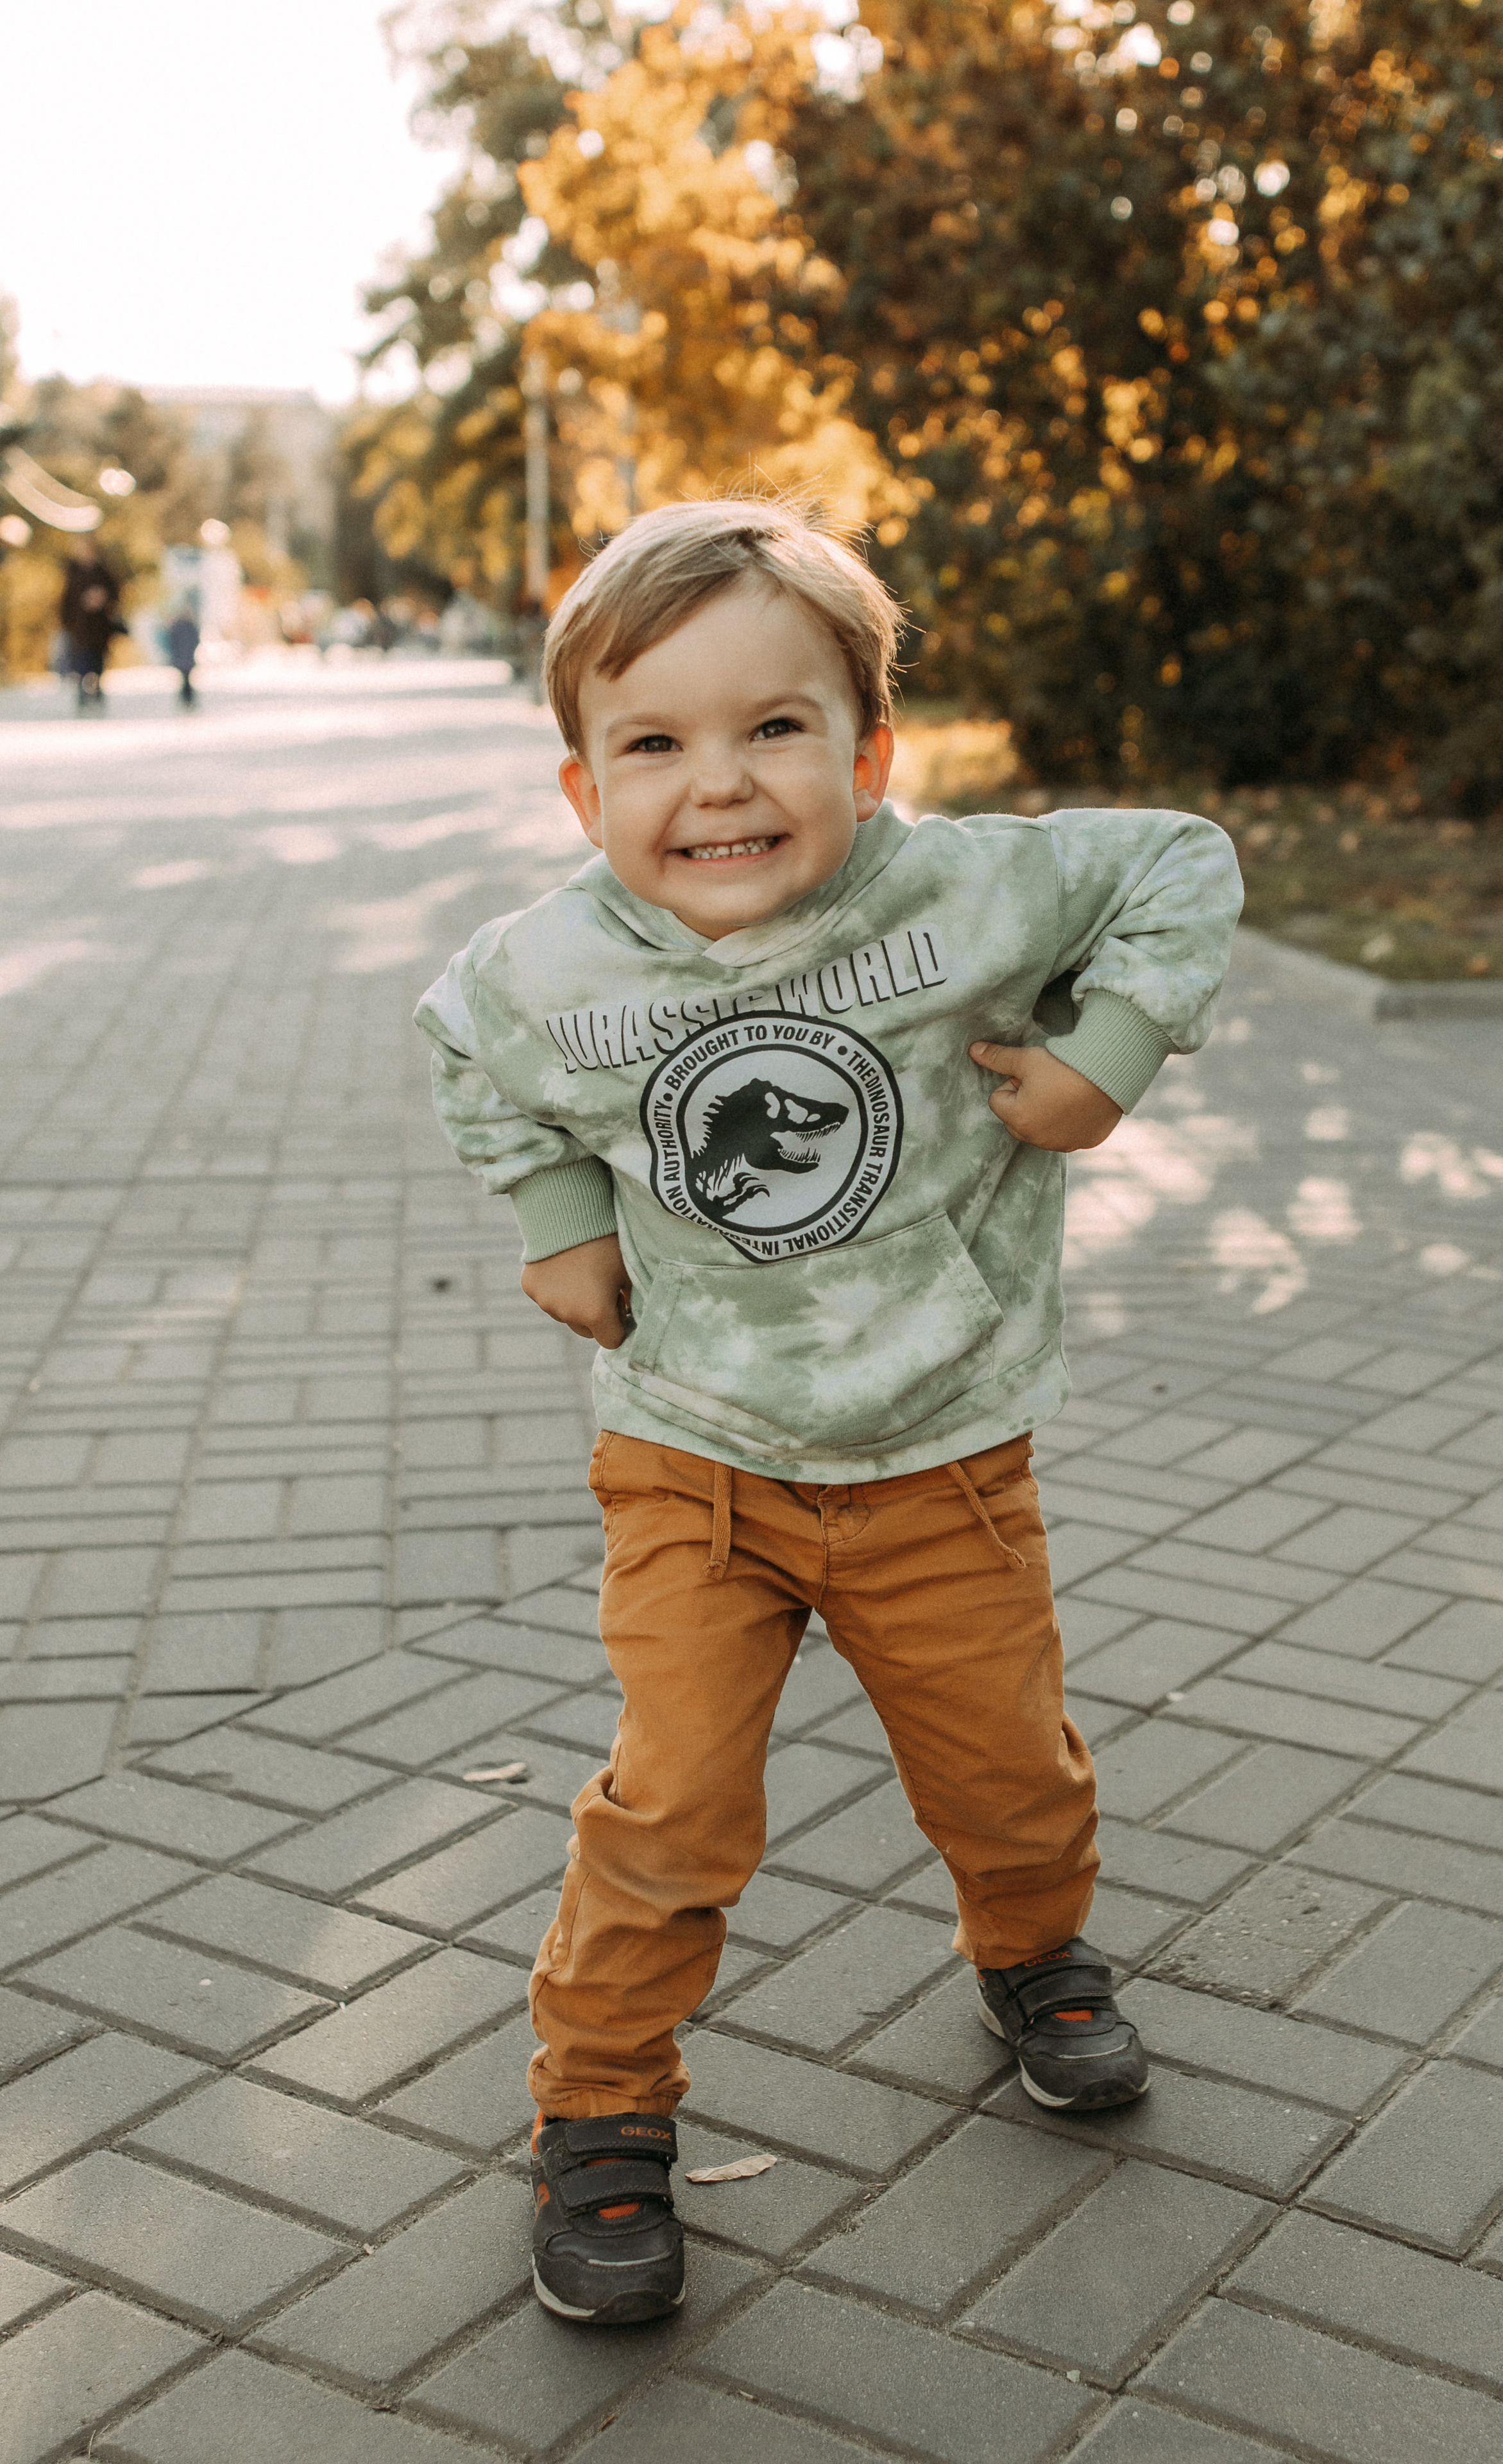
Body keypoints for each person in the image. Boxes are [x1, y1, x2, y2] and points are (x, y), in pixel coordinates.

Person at [415, 497, 1242, 2329]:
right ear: (583, 794)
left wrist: (1108, 1061)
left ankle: (1037, 1955)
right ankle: (604, 2109)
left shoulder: (960, 892)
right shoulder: (551, 966)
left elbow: (1182, 863)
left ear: (869, 755)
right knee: (675, 1801)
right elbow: (464, 1041)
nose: (719, 786)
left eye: (773, 729)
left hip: (942, 1450)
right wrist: (554, 1218)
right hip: (693, 1459)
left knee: (1006, 1773)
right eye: (655, 745)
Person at [59, 539, 123, 708]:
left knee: (98, 661)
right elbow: (66, 600)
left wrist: (102, 598)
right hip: (80, 628)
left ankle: (97, 688)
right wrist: (67, 623)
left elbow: (116, 593)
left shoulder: (104, 573)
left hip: (100, 628)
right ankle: (83, 692)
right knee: (81, 660)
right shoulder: (73, 573)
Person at [165, 605, 201, 707]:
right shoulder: (190, 626)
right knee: (186, 680)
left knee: (185, 680)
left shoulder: (176, 627)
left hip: (181, 658)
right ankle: (188, 700)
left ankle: (186, 700)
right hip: (188, 658)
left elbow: (171, 643)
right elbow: (196, 640)